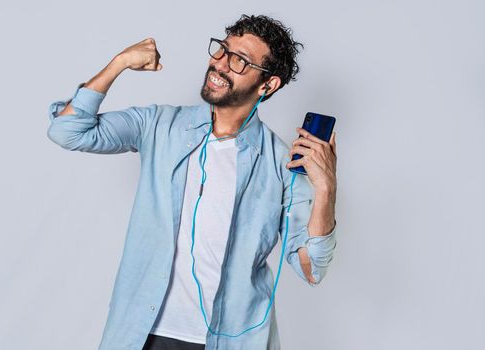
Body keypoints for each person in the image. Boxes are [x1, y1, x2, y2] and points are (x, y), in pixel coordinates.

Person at [47, 14, 338, 350]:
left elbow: (310, 269)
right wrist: (120, 63)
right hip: (144, 333)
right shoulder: (160, 125)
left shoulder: (280, 165)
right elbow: (66, 131)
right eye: (222, 50)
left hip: (228, 340)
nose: (219, 65)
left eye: (239, 61)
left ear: (267, 85)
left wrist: (326, 188)